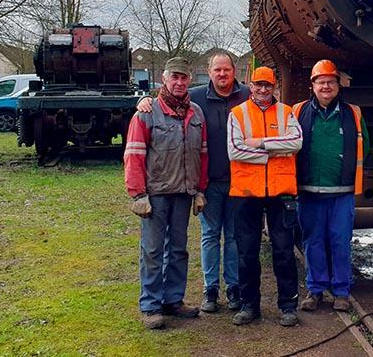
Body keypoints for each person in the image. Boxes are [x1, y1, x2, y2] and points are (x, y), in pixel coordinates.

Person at [137, 52, 247, 313]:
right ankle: (206, 292)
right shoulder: (188, 101)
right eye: (217, 69)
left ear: (234, 72)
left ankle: (228, 289)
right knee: (202, 237)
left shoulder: (243, 97)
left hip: (232, 182)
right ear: (209, 72)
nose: (222, 74)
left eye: (226, 70)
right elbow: (137, 148)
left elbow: (269, 105)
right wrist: (142, 100)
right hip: (185, 186)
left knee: (226, 238)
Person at [124, 57, 208, 330]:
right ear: (164, 78)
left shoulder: (196, 112)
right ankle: (150, 305)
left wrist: (200, 190)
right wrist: (138, 194)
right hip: (156, 194)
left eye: (184, 78)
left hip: (184, 192)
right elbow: (134, 155)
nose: (180, 82)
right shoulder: (146, 114)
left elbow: (202, 154)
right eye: (175, 77)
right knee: (152, 250)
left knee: (178, 249)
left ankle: (173, 299)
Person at [225, 66, 304, 327]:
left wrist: (260, 143)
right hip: (246, 192)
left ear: (275, 87)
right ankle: (249, 306)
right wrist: (273, 152)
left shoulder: (286, 112)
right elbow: (235, 150)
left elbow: (296, 142)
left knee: (283, 250)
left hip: (280, 192)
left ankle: (288, 306)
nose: (262, 89)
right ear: (250, 85)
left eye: (267, 85)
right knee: (247, 252)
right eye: (258, 85)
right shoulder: (237, 114)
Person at [294, 60, 367, 314]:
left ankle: (341, 292)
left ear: (338, 85)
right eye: (321, 82)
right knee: (312, 241)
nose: (326, 86)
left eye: (330, 82)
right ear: (312, 85)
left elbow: (363, 146)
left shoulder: (353, 113)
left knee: (340, 241)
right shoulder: (298, 111)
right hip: (308, 191)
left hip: (342, 192)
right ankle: (315, 290)